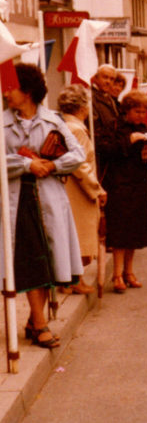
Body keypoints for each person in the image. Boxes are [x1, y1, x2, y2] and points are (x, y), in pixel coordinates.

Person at [4, 63, 85, 348]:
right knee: (30, 260)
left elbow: (78, 154)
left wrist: (52, 165)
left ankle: (33, 320)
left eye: (11, 88)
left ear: (27, 92)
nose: (6, 93)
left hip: (48, 199)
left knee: (48, 259)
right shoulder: (2, 123)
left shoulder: (53, 121)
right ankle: (40, 324)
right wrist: (27, 164)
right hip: (17, 201)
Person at [104, 90, 147, 292]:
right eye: (137, 111)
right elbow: (107, 151)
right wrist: (129, 140)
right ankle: (117, 275)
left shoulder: (145, 128)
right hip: (119, 183)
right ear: (127, 110)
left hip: (140, 183)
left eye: (144, 112)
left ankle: (129, 272)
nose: (141, 115)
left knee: (136, 230)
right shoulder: (115, 126)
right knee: (120, 231)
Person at [58, 84, 107, 295]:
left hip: (70, 186)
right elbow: (80, 164)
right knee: (80, 235)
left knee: (74, 234)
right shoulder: (76, 129)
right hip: (78, 189)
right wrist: (96, 189)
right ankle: (73, 280)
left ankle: (71, 279)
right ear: (82, 107)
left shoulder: (64, 125)